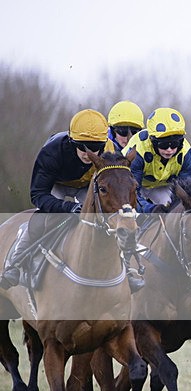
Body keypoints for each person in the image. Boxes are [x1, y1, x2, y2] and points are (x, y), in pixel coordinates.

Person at [1, 109, 114, 288]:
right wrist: (67, 207)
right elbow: (38, 195)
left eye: (95, 148)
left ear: (104, 144)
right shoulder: (51, 152)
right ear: (71, 141)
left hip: (87, 186)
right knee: (45, 217)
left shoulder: (109, 151)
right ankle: (15, 263)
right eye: (82, 147)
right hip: (58, 184)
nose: (88, 153)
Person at [123, 107, 191, 212]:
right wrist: (150, 209)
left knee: (173, 210)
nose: (169, 150)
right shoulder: (138, 152)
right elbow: (131, 191)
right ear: (153, 142)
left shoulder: (185, 152)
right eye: (164, 145)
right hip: (132, 185)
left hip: (163, 186)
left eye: (174, 144)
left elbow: (184, 188)